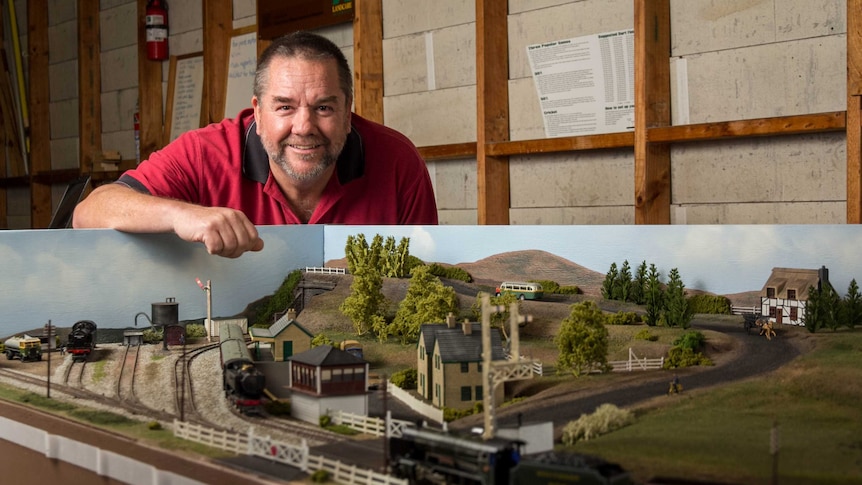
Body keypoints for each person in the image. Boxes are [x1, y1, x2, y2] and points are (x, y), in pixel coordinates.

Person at [73, 31, 438, 258]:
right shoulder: (206, 153)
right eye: (285, 107)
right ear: (258, 113)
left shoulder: (398, 161)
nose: (304, 126)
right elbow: (88, 212)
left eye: (323, 107)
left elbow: (427, 270)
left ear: (347, 113)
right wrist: (182, 215)